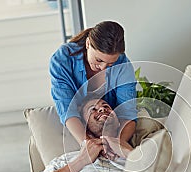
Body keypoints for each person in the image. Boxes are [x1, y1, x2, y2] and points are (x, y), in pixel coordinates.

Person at [50, 20, 137, 153]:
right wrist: (88, 145)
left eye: (110, 64)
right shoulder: (63, 59)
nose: (102, 68)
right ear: (88, 44)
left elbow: (128, 114)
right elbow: (67, 109)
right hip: (78, 129)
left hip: (111, 131)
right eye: (99, 60)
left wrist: (117, 144)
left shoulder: (122, 66)